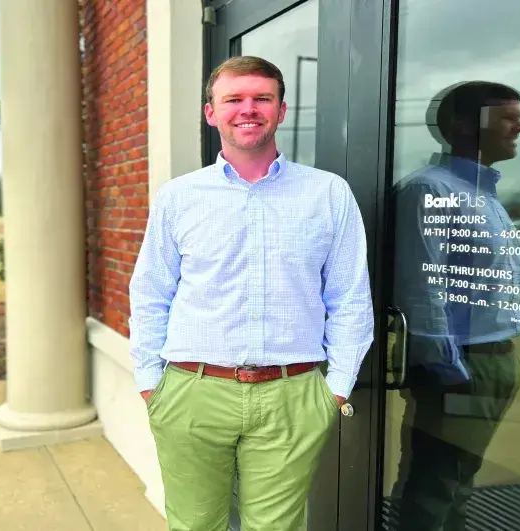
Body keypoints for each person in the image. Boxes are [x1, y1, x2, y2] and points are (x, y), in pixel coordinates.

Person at [128, 55, 374, 531]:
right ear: (211, 113)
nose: (248, 109)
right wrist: (150, 382)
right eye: (233, 99)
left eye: (262, 98)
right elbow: (151, 293)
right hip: (191, 392)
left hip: (293, 395)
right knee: (194, 525)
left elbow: (349, 297)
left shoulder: (328, 194)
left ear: (281, 110)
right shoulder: (178, 197)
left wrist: (336, 387)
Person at [389, 81, 520, 531]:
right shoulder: (429, 189)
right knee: (436, 486)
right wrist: (446, 370)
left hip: (492, 359)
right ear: (463, 125)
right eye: (508, 118)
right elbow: (420, 286)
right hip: (463, 364)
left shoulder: (481, 193)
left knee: (459, 480)